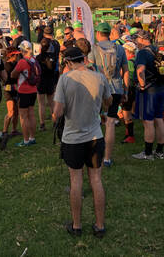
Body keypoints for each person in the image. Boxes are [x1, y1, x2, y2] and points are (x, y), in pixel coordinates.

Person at [52, 46, 112, 238]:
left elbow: (58, 113)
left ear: (68, 62)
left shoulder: (65, 79)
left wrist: (56, 114)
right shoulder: (99, 77)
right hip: (95, 136)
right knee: (96, 179)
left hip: (73, 138)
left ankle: (77, 225)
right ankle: (99, 225)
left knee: (76, 180)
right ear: (84, 59)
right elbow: (109, 101)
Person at [88, 22, 128, 167]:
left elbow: (90, 68)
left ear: (98, 33)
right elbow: (126, 71)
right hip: (116, 89)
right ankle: (107, 158)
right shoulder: (119, 48)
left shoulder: (93, 48)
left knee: (95, 122)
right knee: (110, 123)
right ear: (109, 34)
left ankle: (94, 154)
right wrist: (126, 90)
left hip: (99, 89)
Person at [132, 30, 164, 160]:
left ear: (141, 39)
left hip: (148, 91)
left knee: (148, 121)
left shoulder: (142, 52)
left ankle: (147, 153)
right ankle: (159, 151)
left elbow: (140, 70)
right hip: (159, 89)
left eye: (136, 39)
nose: (135, 42)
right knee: (159, 119)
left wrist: (141, 86)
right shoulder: (156, 49)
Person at [11, 41, 39, 147]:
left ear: (23, 50)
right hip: (33, 90)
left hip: (23, 91)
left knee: (23, 116)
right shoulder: (34, 60)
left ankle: (26, 140)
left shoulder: (22, 62)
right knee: (31, 114)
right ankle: (32, 137)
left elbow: (13, 74)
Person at [0, 47, 22, 149]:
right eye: (16, 54)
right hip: (8, 91)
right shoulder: (6, 65)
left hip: (17, 90)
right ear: (11, 55)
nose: (18, 56)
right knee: (11, 112)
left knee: (16, 111)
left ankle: (14, 130)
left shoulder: (16, 64)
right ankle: (4, 132)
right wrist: (14, 87)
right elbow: (5, 82)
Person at [121, 41, 137, 143]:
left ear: (128, 51)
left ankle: (130, 136)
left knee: (126, 113)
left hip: (129, 88)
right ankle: (128, 133)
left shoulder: (130, 62)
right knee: (125, 112)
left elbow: (127, 75)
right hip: (132, 88)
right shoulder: (135, 60)